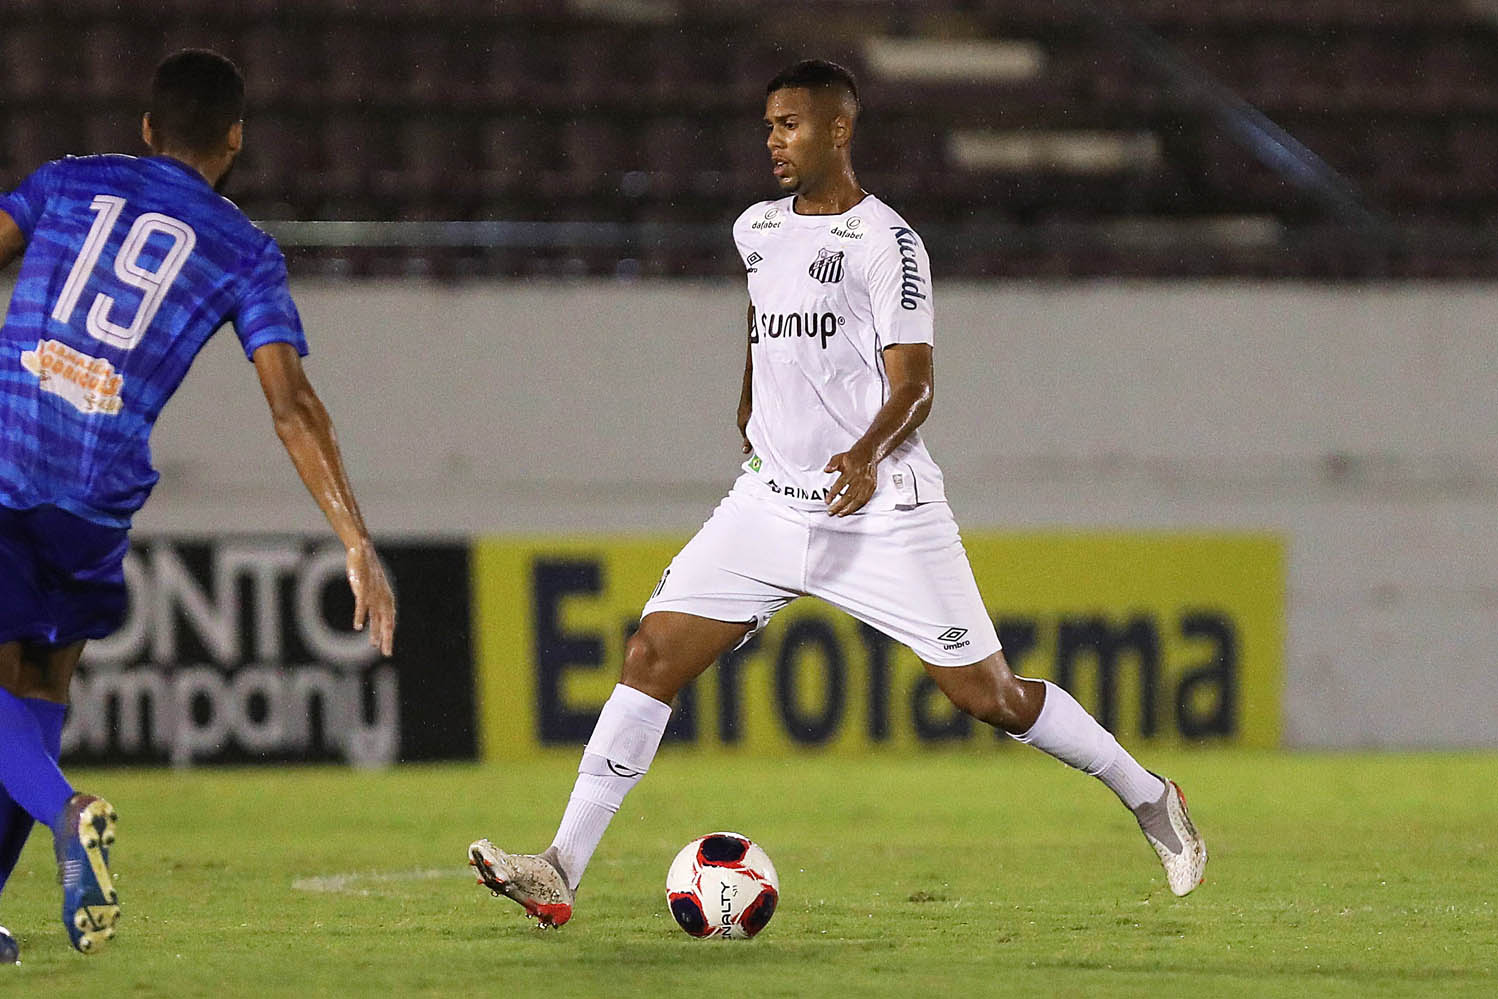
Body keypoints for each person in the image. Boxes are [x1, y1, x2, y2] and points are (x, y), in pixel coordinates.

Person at [468, 59, 1204, 929]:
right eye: (768, 126)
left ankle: (1149, 793)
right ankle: (560, 867)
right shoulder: (756, 228)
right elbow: (760, 315)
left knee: (988, 696)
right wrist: (749, 391)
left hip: (882, 507)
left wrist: (863, 452)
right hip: (769, 505)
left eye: (790, 124)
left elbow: (919, 386)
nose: (773, 140)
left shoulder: (889, 244)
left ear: (839, 130)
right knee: (650, 656)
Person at [0, 49, 396, 959]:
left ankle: (70, 811)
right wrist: (354, 537)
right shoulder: (243, 248)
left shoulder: (66, 182)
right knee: (40, 688)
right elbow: (291, 403)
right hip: (98, 494)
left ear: (145, 128)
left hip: (11, 453)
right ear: (234, 140)